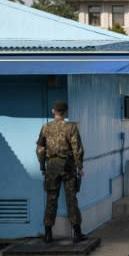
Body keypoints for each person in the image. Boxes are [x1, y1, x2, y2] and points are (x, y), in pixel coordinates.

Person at [36, 100, 87, 243]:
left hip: (51, 166)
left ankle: (48, 234)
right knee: (71, 199)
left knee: (51, 199)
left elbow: (40, 149)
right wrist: (80, 167)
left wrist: (42, 166)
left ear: (54, 111)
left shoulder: (45, 128)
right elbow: (77, 149)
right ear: (65, 112)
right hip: (68, 167)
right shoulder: (71, 127)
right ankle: (77, 234)